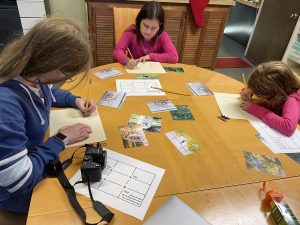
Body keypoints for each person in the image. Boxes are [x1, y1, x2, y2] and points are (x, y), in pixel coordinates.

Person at [0, 17, 96, 214]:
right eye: (67, 73)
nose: (68, 78)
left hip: (36, 159)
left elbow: (49, 92)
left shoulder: (31, 75)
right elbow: (19, 180)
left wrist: (74, 100)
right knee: (87, 197)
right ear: (48, 63)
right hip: (16, 192)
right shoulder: (6, 104)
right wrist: (61, 138)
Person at [240, 61, 300, 136]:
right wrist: (249, 91)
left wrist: (255, 109)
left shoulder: (292, 100)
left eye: (259, 94)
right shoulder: (282, 87)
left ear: (275, 94)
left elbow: (288, 127)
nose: (258, 96)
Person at [113, 1, 179, 69]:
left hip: (156, 74)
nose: (148, 31)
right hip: (134, 71)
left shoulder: (162, 35)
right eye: (145, 25)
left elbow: (174, 57)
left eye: (154, 28)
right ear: (139, 21)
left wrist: (150, 57)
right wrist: (126, 61)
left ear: (159, 26)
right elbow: (117, 51)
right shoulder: (131, 31)